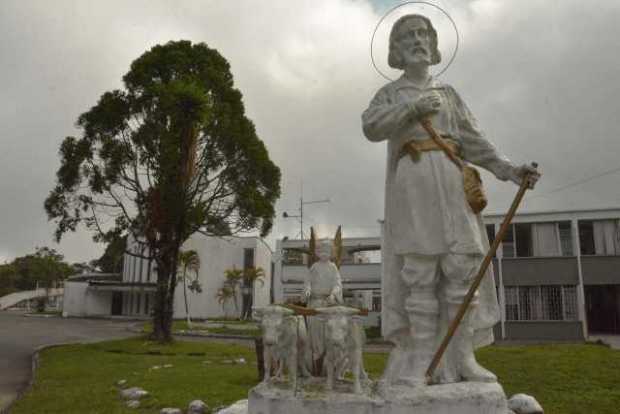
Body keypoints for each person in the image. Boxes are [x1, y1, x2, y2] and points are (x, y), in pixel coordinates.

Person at [361, 14, 540, 386]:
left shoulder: (449, 95)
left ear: (434, 43)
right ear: (395, 49)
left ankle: (462, 357)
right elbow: (371, 126)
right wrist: (411, 109)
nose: (418, 39)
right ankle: (420, 359)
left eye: (424, 33)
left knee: (462, 270)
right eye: (409, 35)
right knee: (421, 273)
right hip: (414, 184)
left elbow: (476, 141)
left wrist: (509, 169)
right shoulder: (391, 93)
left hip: (452, 179)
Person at [303, 240, 343, 371]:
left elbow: (337, 284)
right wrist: (308, 289)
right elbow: (308, 281)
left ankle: (330, 361)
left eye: (327, 251)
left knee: (330, 330)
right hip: (314, 304)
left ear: (331, 253)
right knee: (314, 331)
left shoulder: (333, 267)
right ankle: (315, 358)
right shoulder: (314, 267)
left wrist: (333, 294)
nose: (324, 254)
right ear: (317, 253)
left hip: (328, 304)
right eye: (321, 251)